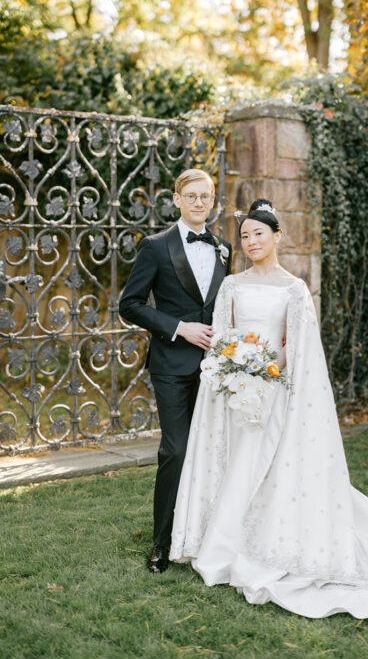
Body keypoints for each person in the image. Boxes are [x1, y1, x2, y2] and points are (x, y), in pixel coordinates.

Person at [168, 199, 368, 628]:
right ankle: (222, 542)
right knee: (234, 462)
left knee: (261, 466)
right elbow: (222, 335)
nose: (251, 241)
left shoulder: (294, 288)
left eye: (259, 233)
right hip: (233, 390)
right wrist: (230, 367)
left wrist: (266, 371)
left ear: (277, 236)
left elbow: (299, 350)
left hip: (272, 389)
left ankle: (254, 546)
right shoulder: (232, 286)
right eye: (244, 236)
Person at [119, 168, 232, 574]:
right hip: (170, 365)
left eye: (207, 197)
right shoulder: (155, 246)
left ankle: (204, 535)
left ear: (213, 201)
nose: (200, 202)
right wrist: (179, 328)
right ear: (177, 199)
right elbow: (129, 304)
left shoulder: (224, 249)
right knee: (177, 450)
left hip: (217, 369)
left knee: (212, 452)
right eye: (193, 196)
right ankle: (161, 543)